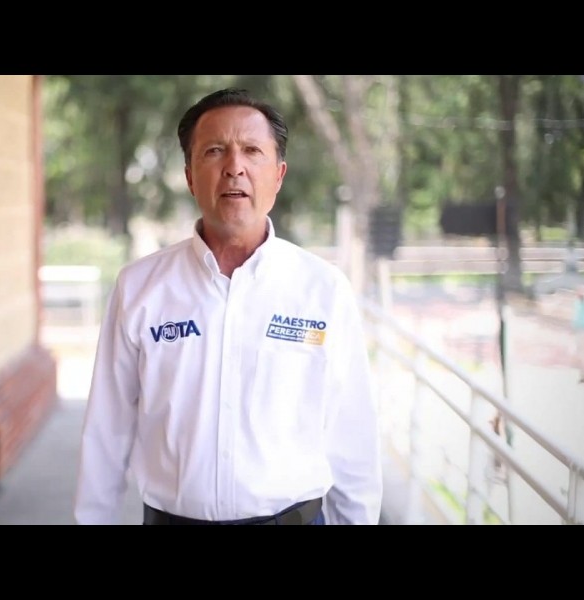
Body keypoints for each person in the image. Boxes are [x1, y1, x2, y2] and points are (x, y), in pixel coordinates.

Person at [73, 87, 383, 525]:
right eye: (215, 151)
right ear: (189, 176)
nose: (234, 167)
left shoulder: (323, 290)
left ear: (278, 175)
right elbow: (107, 430)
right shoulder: (140, 288)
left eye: (252, 151)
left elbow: (353, 435)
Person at [572, 282, 584, 384]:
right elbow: (576, 316)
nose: (579, 292)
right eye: (578, 291)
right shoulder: (577, 302)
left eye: (582, 290)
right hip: (580, 330)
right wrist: (574, 327)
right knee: (582, 354)